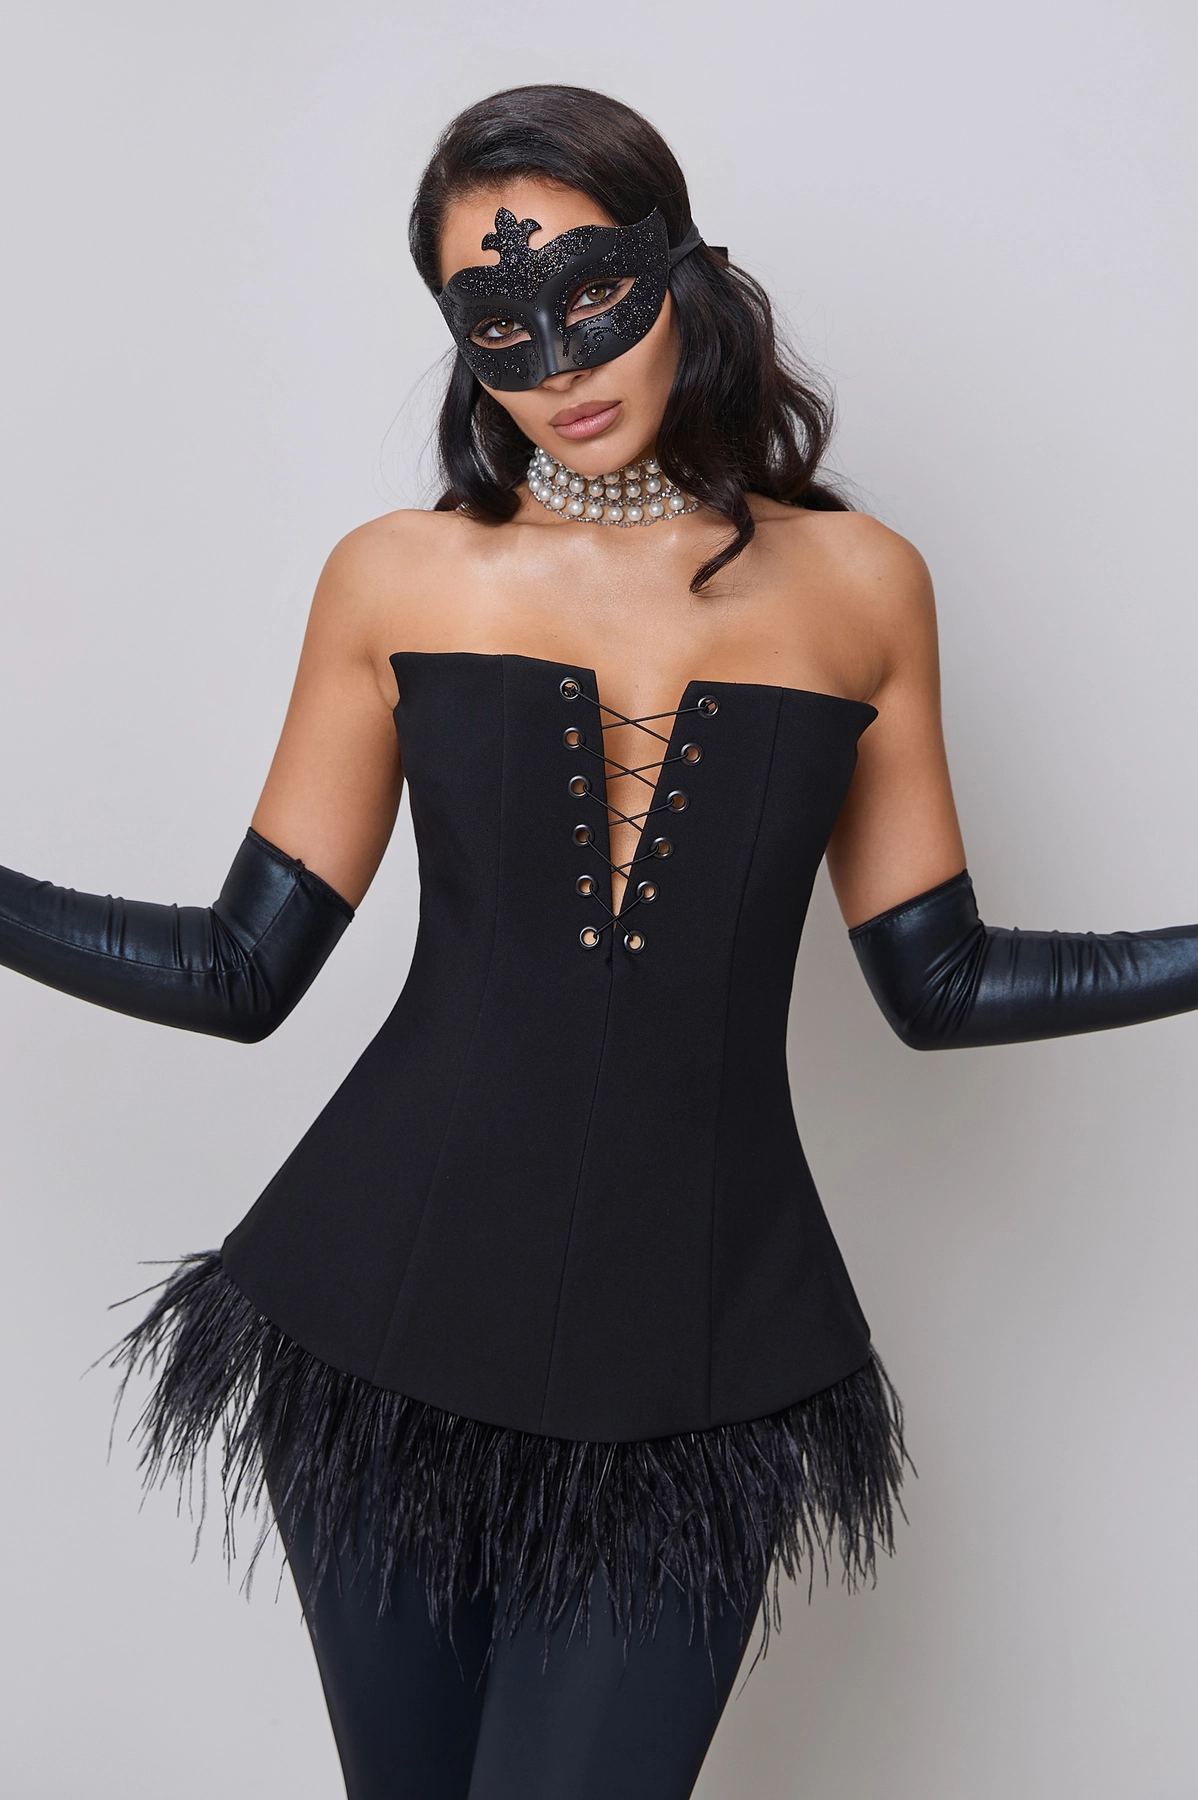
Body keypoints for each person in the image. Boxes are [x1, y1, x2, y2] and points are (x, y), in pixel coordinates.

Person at [3, 82, 1198, 1800]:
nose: (556, 358)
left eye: (590, 291)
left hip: (699, 1355)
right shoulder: (397, 577)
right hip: (379, 1317)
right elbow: (237, 970)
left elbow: (940, 982)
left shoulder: (860, 585)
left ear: (679, 267)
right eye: (495, 319)